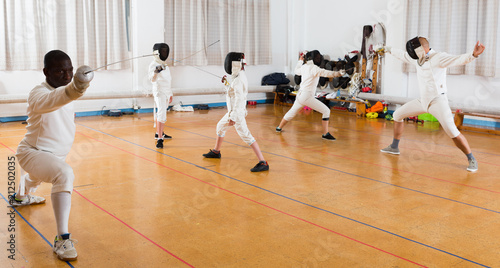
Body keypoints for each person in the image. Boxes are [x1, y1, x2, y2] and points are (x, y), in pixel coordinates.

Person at [8, 50, 94, 261]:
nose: (66, 76)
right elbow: (53, 100)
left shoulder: (65, 89)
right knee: (64, 174)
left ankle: (20, 197)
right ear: (46, 71)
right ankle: (62, 238)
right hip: (32, 153)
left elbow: (64, 94)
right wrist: (76, 87)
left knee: (35, 178)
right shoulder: (38, 93)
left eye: (70, 71)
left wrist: (73, 88)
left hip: (54, 155)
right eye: (60, 71)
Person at [380, 37, 485, 172]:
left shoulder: (439, 57)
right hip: (422, 101)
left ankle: (471, 158)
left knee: (452, 131)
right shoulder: (418, 58)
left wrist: (473, 54)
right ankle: (394, 147)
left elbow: (458, 59)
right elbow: (403, 56)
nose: (412, 54)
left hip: (438, 102)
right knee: (397, 114)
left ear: (422, 49)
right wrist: (388, 49)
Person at [203, 52, 269, 172]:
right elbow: (233, 91)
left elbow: (240, 99)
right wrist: (227, 84)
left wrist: (233, 117)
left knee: (246, 136)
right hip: (232, 112)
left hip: (236, 114)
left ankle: (263, 162)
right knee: (220, 127)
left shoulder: (239, 79)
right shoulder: (239, 75)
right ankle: (216, 152)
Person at [276, 50, 344, 140]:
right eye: (318, 57)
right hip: (306, 96)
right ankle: (325, 134)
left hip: (300, 95)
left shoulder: (304, 67)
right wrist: (338, 73)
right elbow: (326, 73)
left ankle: (279, 127)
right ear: (314, 58)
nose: (319, 59)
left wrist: (300, 61)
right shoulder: (314, 68)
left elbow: (296, 70)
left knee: (292, 112)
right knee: (326, 111)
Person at [149, 43, 173, 149]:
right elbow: (152, 79)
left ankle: (159, 132)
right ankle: (159, 139)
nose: (164, 53)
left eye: (165, 51)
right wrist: (156, 72)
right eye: (162, 51)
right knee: (162, 114)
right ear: (157, 53)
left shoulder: (165, 65)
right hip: (159, 92)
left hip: (166, 92)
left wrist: (170, 93)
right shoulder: (153, 64)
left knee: (161, 113)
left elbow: (168, 80)